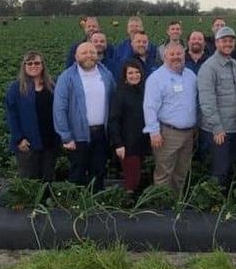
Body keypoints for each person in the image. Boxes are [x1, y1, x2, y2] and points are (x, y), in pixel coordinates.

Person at [53, 42, 116, 191]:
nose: (89, 55)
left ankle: (96, 203)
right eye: (84, 53)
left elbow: (114, 99)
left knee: (99, 170)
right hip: (78, 135)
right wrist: (66, 136)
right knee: (78, 171)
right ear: (76, 56)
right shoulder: (67, 77)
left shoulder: (105, 73)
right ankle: (77, 206)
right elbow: (59, 108)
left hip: (101, 133)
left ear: (97, 55)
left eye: (92, 52)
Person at [143, 43, 198, 195]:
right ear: (164, 57)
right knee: (164, 173)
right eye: (172, 54)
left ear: (184, 55)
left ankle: (176, 204)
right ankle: (162, 209)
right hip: (167, 133)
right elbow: (149, 107)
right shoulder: (156, 78)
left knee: (181, 173)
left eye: (179, 54)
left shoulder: (191, 75)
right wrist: (154, 132)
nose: (176, 57)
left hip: (188, 134)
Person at [198, 27, 236, 189]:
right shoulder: (209, 67)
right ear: (216, 43)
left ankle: (224, 204)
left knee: (229, 169)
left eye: (231, 41)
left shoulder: (235, 64)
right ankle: (214, 205)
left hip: (233, 128)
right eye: (224, 41)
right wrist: (217, 128)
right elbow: (207, 100)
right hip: (218, 131)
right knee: (219, 171)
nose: (228, 44)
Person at [4, 50, 59, 182]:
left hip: (49, 141)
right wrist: (19, 138)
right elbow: (12, 116)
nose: (33, 66)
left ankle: (47, 202)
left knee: (48, 178)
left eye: (37, 63)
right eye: (29, 63)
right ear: (24, 66)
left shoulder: (52, 85)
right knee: (30, 180)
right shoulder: (16, 88)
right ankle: (31, 203)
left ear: (42, 65)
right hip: (27, 142)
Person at [108, 59, 151, 193]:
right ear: (125, 76)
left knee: (137, 177)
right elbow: (113, 120)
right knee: (132, 179)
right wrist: (118, 144)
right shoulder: (120, 94)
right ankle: (127, 208)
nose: (134, 75)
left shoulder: (144, 91)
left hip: (141, 142)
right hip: (127, 145)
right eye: (130, 73)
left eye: (137, 72)